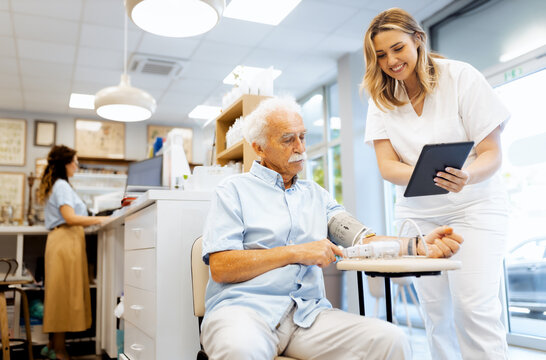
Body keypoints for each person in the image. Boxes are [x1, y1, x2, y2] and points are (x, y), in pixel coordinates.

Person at [200, 96, 464, 360]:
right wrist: (296, 253)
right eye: (288, 139)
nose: (300, 147)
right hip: (244, 312)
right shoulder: (233, 191)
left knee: (390, 340)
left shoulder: (317, 196)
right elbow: (222, 266)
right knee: (240, 350)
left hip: (308, 316)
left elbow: (362, 240)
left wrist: (417, 245)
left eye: (303, 137)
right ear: (259, 148)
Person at [361, 8, 510, 360]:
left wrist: (466, 176)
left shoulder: (460, 77)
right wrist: (427, 174)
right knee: (436, 313)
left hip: (475, 207)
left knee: (474, 309)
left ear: (418, 40)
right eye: (380, 55)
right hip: (420, 215)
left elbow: (491, 153)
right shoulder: (380, 97)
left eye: (398, 48)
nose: (391, 61)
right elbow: (386, 166)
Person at [37, 145, 108, 360]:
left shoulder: (60, 185)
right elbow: (70, 217)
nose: (77, 165)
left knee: (62, 293)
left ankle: (52, 346)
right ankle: (59, 351)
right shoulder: (61, 186)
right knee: (62, 296)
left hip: (66, 242)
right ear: (66, 163)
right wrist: (103, 219)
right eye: (75, 161)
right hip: (65, 241)